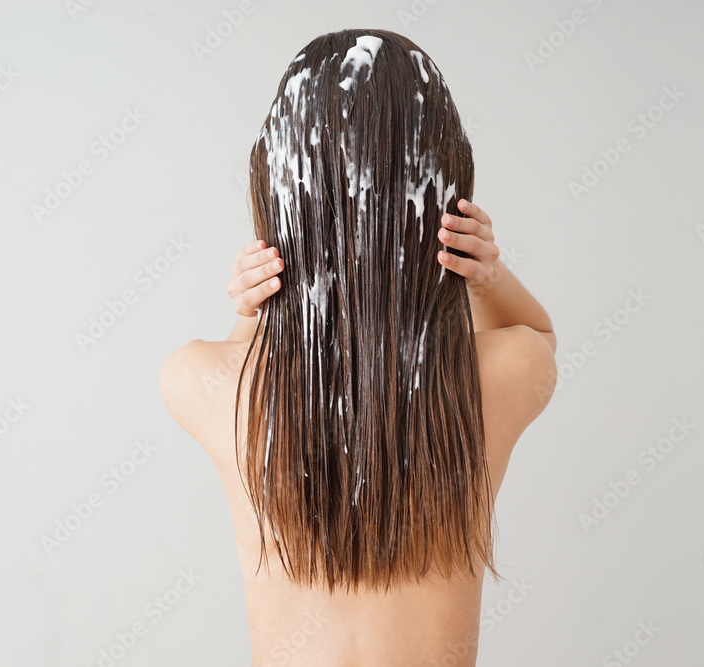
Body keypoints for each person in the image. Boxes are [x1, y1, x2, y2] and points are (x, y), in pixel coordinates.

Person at [160, 28, 557, 667]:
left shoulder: (203, 383)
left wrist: (257, 308)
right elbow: (540, 340)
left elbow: (234, 365)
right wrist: (486, 274)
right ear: (444, 199)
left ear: (278, 197)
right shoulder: (499, 377)